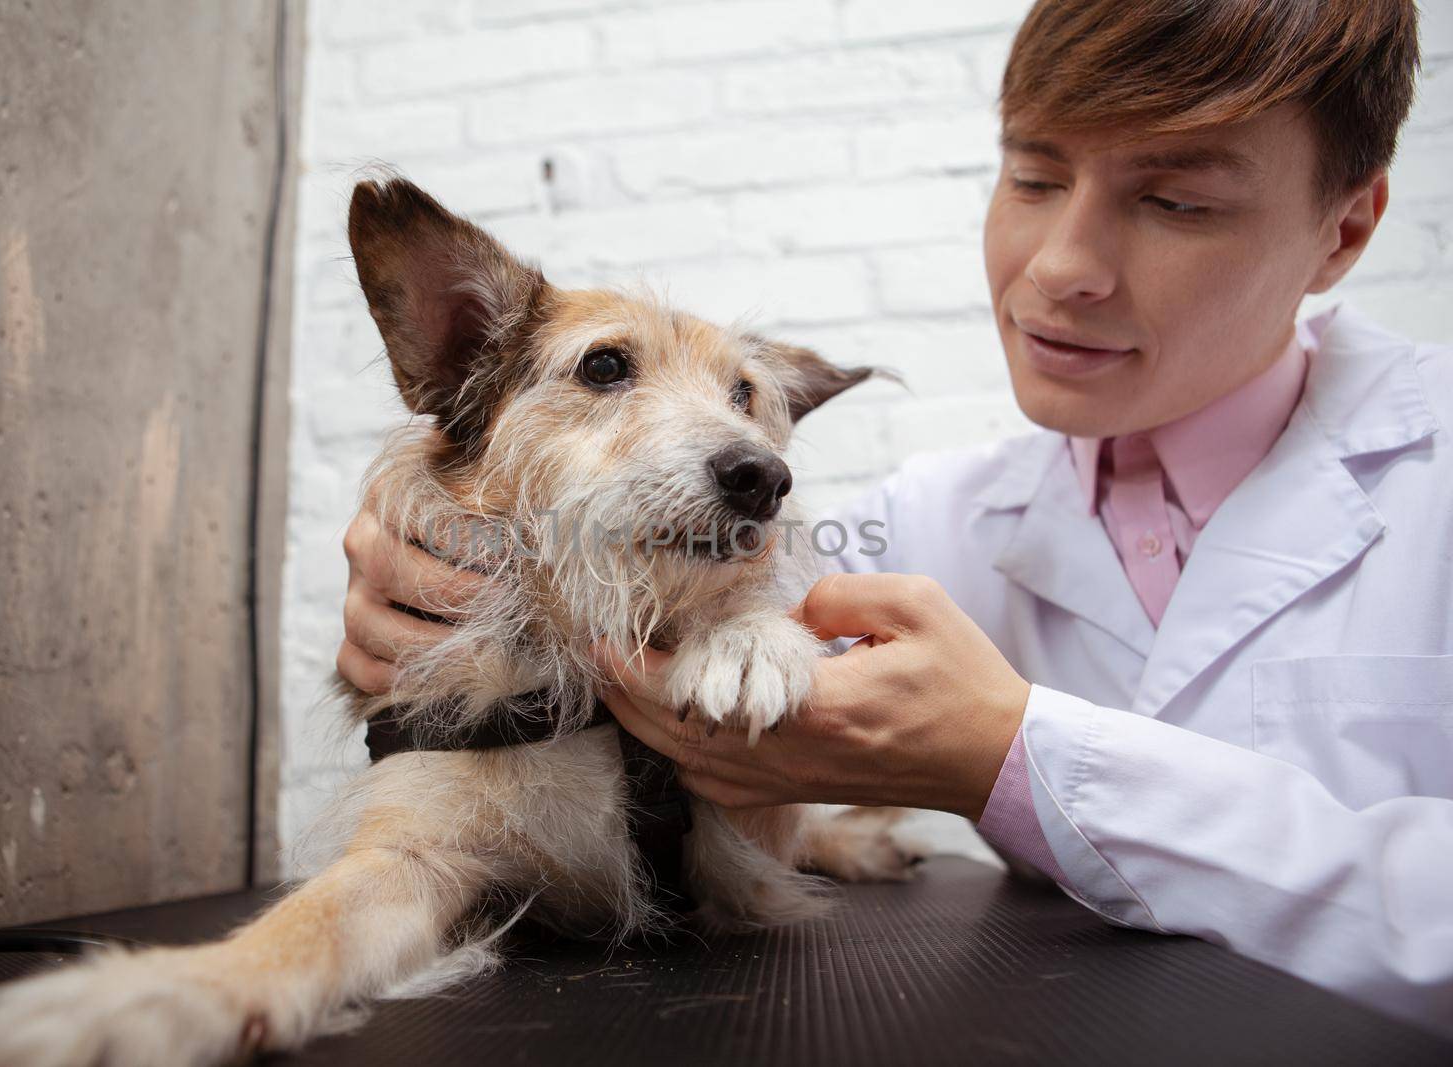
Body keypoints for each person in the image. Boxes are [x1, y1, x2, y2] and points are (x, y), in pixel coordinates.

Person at [335, 0, 1452, 1037]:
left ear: (1343, 229)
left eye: (1175, 201)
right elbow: (683, 592)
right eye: (1032, 178)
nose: (1059, 268)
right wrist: (424, 572)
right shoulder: (931, 517)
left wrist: (1007, 756)